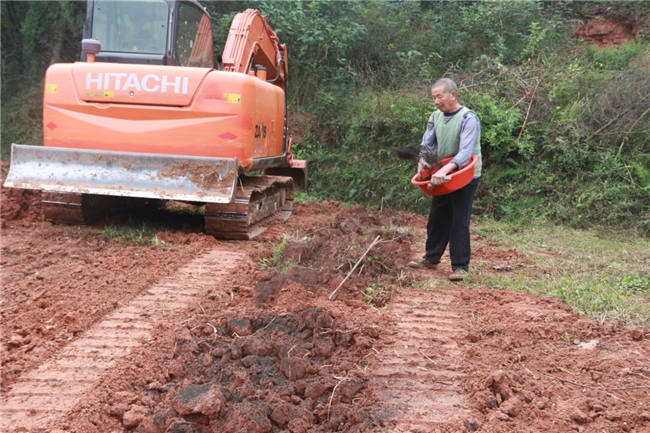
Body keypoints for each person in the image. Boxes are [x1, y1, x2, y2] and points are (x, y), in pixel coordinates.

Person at [408, 78, 482, 281]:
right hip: (441, 174)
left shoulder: (468, 118)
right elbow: (427, 144)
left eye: (439, 96)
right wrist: (423, 162)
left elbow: (466, 152)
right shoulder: (435, 116)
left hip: (465, 174)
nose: (436, 101)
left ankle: (460, 267)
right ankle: (431, 257)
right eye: (433, 97)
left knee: (459, 220)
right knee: (437, 218)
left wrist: (446, 171)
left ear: (453, 95)